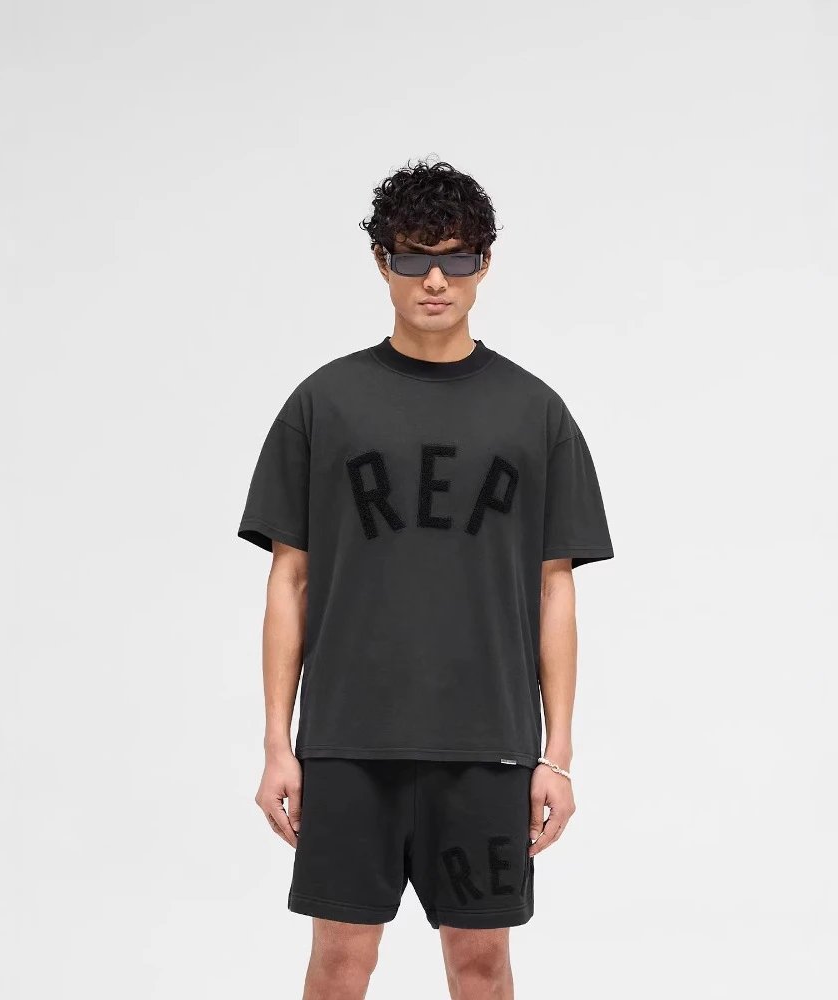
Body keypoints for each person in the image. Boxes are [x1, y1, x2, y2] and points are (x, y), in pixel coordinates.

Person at [237, 157, 614, 1000]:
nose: (434, 281)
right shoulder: (324, 404)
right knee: (340, 962)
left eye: (456, 259)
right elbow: (289, 581)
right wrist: (277, 744)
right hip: (348, 744)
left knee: (481, 965)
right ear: (382, 261)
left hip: (487, 747)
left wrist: (557, 756)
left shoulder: (535, 413)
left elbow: (556, 590)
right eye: (412, 258)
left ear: (485, 262)